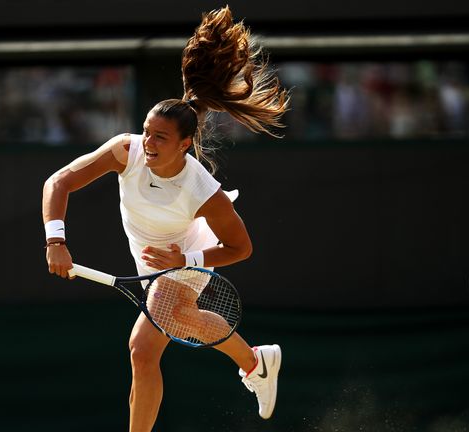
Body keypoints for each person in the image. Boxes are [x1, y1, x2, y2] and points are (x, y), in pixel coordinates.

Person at [42, 6, 289, 431]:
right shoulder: (126, 150)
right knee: (163, 337)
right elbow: (59, 181)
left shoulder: (202, 191)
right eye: (146, 132)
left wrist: (187, 261)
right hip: (151, 260)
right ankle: (255, 362)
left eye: (160, 138)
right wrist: (55, 241)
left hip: (188, 253)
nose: (149, 144)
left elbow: (241, 249)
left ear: (185, 144)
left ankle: (253, 363)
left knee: (142, 348)